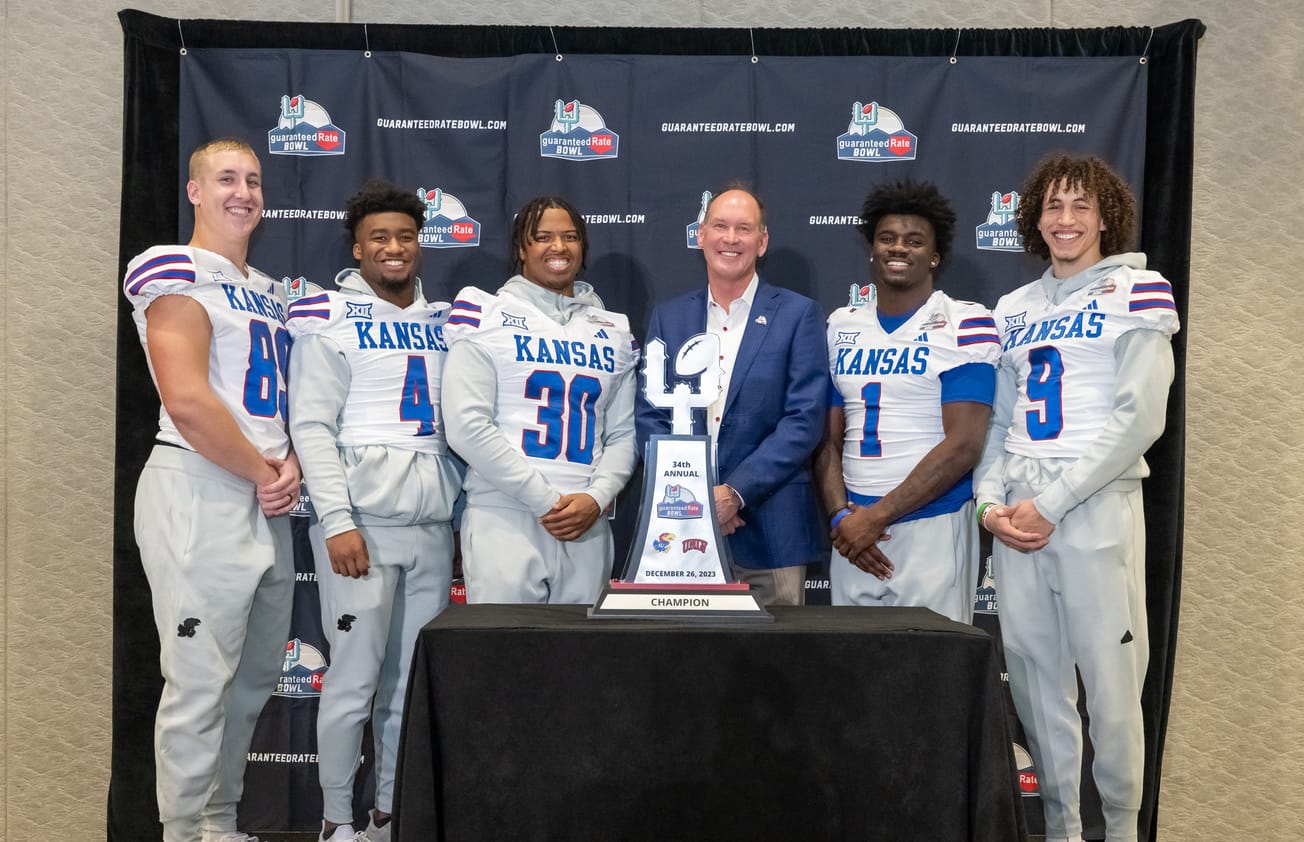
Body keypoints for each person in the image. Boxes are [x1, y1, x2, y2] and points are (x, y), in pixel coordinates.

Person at [974, 154, 1179, 842]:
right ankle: (1061, 832)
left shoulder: (1139, 288)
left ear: (1105, 217)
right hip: (1019, 519)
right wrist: (988, 504)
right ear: (1034, 218)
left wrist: (1053, 501)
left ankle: (1121, 832)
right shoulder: (1012, 309)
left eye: (1081, 206)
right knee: (1037, 690)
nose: (1066, 220)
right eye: (1054, 207)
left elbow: (1140, 417)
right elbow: (999, 422)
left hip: (1091, 508)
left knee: (1114, 693)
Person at [123, 137, 299, 842]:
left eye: (254, 180)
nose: (244, 192)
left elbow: (285, 403)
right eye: (226, 178)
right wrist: (265, 474)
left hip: (263, 498)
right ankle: (178, 832)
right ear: (194, 191)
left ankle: (217, 824)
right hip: (200, 485)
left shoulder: (269, 290)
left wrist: (290, 469)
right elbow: (189, 401)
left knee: (249, 683)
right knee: (198, 685)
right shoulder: (174, 270)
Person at [287, 180, 461, 842]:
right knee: (354, 681)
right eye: (379, 238)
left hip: (430, 525)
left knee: (407, 686)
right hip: (363, 524)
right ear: (357, 249)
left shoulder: (444, 323)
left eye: (406, 236)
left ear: (421, 245)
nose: (394, 248)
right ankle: (336, 820)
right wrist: (336, 520)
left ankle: (390, 813)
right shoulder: (329, 316)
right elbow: (312, 427)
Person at [635, 186, 828, 606]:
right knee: (685, 662)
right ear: (701, 235)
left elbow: (804, 419)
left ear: (762, 242)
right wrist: (698, 495)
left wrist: (734, 492)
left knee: (775, 668)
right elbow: (650, 415)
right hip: (681, 526)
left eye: (744, 229)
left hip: (771, 529)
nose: (731, 238)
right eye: (720, 226)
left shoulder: (798, 314)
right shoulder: (669, 317)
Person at [815, 180, 998, 622]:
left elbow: (964, 445)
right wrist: (841, 516)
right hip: (853, 531)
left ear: (935, 256)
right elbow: (826, 439)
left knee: (932, 676)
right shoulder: (842, 325)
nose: (900, 248)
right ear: (871, 250)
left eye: (915, 241)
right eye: (888, 238)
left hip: (931, 523)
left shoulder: (964, 322)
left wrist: (876, 518)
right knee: (855, 676)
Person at [442, 196, 638, 604]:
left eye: (570, 237)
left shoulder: (611, 328)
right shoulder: (486, 313)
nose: (559, 247)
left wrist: (597, 498)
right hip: (507, 514)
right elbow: (466, 426)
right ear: (521, 248)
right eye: (544, 237)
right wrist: (545, 500)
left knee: (582, 663)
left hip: (587, 521)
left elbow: (623, 434)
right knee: (503, 658)